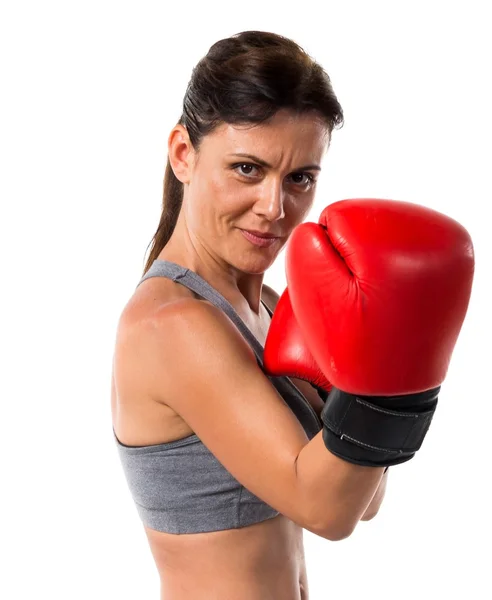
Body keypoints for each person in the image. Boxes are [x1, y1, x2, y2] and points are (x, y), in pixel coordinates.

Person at [111, 31, 390, 599]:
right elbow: (325, 512)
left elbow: (361, 502)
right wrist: (394, 390)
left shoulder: (269, 305)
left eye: (299, 178)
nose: (274, 207)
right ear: (184, 154)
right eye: (246, 169)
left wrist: (367, 375)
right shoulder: (174, 324)